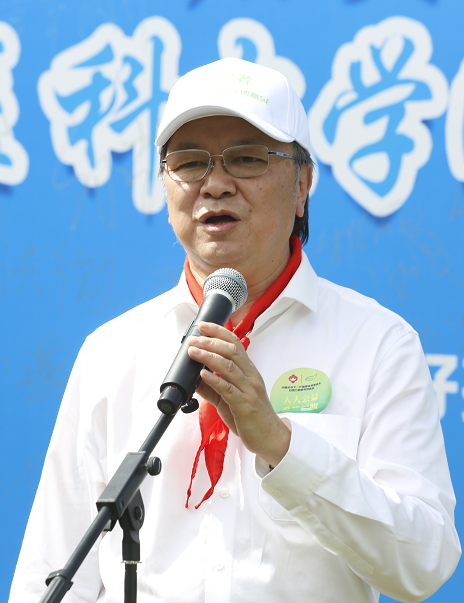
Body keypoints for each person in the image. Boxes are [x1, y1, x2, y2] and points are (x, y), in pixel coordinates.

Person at [9, 58, 460, 603]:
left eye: (247, 158)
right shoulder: (113, 351)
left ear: (302, 185)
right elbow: (51, 573)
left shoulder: (377, 342)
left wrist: (281, 445)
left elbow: (424, 562)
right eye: (189, 162)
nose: (216, 184)